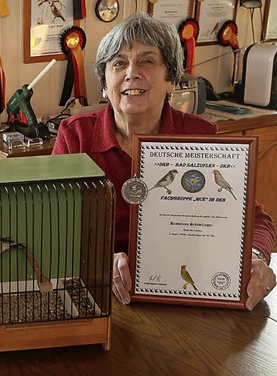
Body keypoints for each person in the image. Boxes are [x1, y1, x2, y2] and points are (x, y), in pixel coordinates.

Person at [52, 12, 275, 310]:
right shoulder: (75, 136)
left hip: (188, 291)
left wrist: (257, 258)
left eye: (147, 61)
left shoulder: (200, 136)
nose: (132, 72)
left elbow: (256, 219)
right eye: (119, 63)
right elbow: (53, 226)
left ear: (171, 80)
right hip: (102, 293)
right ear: (105, 85)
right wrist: (101, 259)